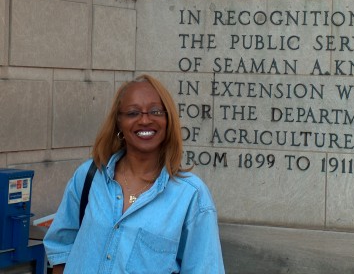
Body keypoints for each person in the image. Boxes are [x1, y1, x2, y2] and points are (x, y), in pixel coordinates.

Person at [44, 74, 225, 273]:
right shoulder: (89, 176)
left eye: (155, 111)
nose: (145, 120)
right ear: (119, 122)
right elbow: (61, 249)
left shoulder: (191, 196)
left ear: (168, 120)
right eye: (132, 113)